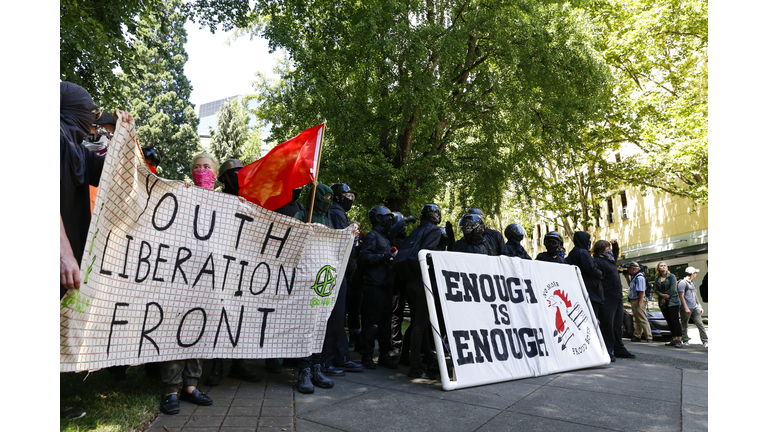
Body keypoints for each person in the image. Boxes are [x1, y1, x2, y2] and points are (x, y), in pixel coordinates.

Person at [203, 158, 261, 386]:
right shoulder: (216, 198)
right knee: (219, 315)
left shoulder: (252, 200)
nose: (238, 175)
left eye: (241, 171)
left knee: (241, 316)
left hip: (245, 266)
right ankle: (217, 365)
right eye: (234, 172)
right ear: (224, 177)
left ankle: (238, 363)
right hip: (220, 264)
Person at [293, 183, 336, 393]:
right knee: (305, 326)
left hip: (322, 281)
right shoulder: (301, 215)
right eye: (323, 196)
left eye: (330, 197)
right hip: (304, 281)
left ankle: (316, 367)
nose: (326, 200)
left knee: (320, 325)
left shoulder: (327, 220)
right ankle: (303, 371)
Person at [392, 204, 444, 379]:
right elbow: (427, 253)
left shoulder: (417, 230)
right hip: (422, 280)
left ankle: (427, 359)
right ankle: (415, 366)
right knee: (421, 324)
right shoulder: (435, 231)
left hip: (409, 280)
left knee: (417, 321)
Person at [319, 183, 364, 376]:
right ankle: (328, 360)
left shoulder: (337, 213)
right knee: (335, 316)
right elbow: (341, 241)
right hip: (336, 270)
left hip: (340, 270)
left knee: (339, 316)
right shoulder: (336, 214)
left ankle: (340, 356)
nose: (350, 199)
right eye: (347, 195)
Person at [357, 206, 399, 370]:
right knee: (371, 322)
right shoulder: (373, 236)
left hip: (386, 286)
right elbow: (364, 257)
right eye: (387, 218)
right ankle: (367, 356)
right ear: (379, 219)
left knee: (385, 324)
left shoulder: (385, 238)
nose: (390, 221)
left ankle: (384, 355)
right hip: (373, 286)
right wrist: (383, 256)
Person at [592, 240, 636, 361]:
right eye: (608, 248)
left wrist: (615, 245)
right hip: (607, 298)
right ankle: (608, 349)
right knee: (608, 325)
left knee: (617, 324)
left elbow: (615, 254)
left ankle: (619, 347)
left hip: (617, 297)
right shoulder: (597, 261)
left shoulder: (609, 260)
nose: (610, 251)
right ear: (602, 250)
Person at [565, 232, 604, 317]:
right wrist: (601, 273)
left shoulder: (574, 252)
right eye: (588, 240)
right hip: (591, 290)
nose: (589, 242)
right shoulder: (582, 252)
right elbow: (591, 269)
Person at [655, 262, 683, 348]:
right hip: (663, 303)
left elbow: (673, 289)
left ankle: (679, 340)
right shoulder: (657, 278)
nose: (663, 267)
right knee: (669, 320)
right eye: (661, 266)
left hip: (672, 301)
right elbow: (655, 290)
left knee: (675, 320)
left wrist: (665, 297)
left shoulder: (671, 276)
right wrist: (662, 296)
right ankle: (673, 339)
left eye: (664, 265)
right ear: (658, 268)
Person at [678, 267, 708, 348]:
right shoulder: (683, 283)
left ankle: (705, 341)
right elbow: (681, 296)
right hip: (686, 308)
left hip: (694, 307)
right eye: (695, 273)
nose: (696, 274)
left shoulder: (693, 283)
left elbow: (695, 295)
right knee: (684, 325)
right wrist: (686, 307)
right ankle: (685, 340)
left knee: (700, 324)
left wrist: (699, 306)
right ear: (692, 273)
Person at [625, 262, 652, 342]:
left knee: (642, 318)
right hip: (635, 300)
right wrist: (627, 277)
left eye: (629, 269)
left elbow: (641, 291)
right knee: (636, 319)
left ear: (634, 269)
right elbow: (631, 286)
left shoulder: (640, 277)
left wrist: (639, 302)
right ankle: (637, 335)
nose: (628, 270)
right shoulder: (635, 277)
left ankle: (649, 336)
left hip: (638, 300)